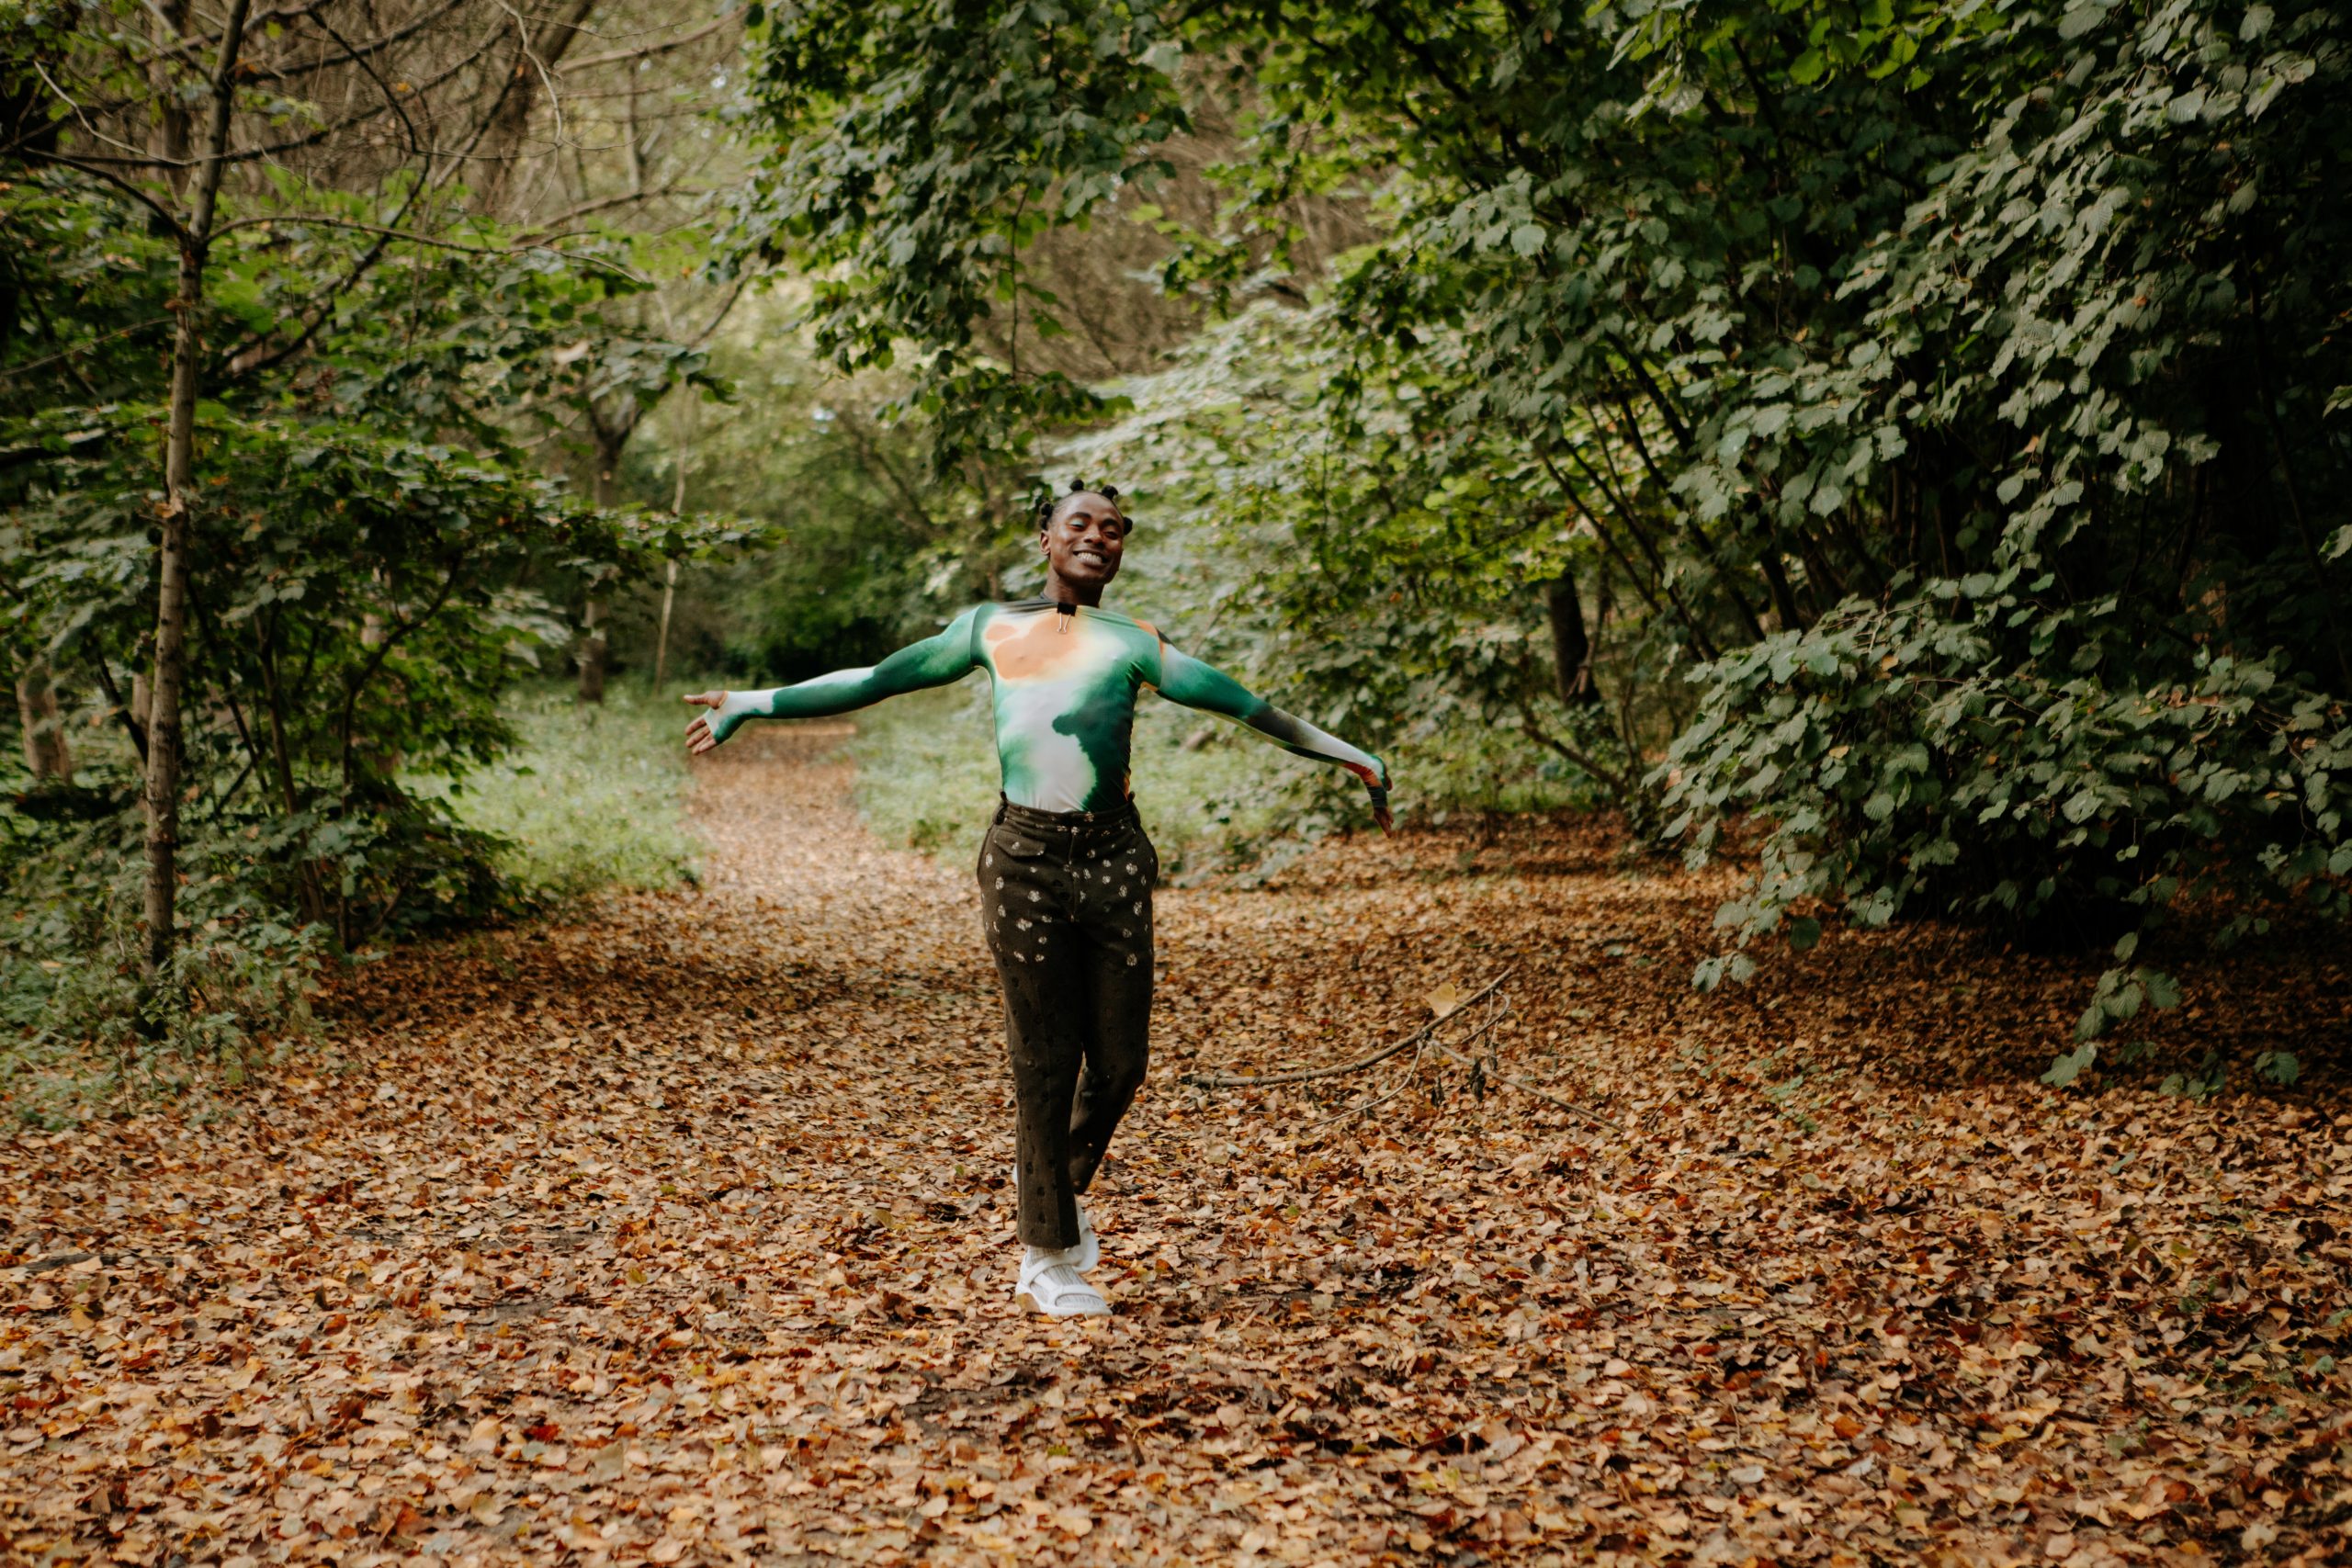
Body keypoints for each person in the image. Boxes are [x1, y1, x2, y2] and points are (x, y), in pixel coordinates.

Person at [684, 484, 1392, 1317]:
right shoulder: (991, 626)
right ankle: (1045, 1250)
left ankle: (1053, 1186)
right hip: (1023, 860)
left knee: (1122, 1063)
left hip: (1116, 857)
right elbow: (875, 680)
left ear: (1122, 550)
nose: (1099, 537)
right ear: (1047, 538)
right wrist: (754, 704)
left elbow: (1251, 708)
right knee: (1045, 1061)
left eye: (1114, 530)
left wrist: (1356, 758)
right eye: (1081, 524)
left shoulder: (1138, 644)